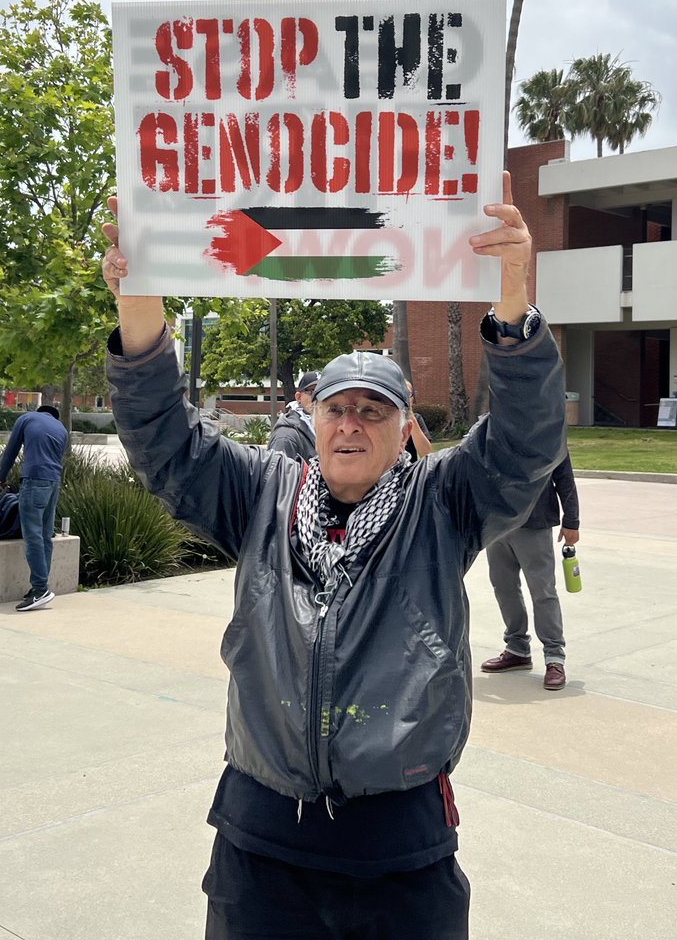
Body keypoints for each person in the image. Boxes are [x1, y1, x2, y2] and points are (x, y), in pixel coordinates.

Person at [102, 173, 565, 940]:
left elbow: (523, 443)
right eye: (336, 408)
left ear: (405, 429)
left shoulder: (441, 505)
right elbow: (165, 444)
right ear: (311, 419)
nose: (350, 424)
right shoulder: (261, 493)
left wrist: (511, 294)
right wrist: (139, 297)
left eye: (372, 410)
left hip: (399, 844)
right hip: (260, 837)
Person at [481, 453, 580, 690]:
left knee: (542, 591)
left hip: (535, 522)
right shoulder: (490, 434)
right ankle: (517, 649)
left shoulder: (548, 436)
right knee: (503, 587)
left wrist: (571, 521)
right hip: (496, 523)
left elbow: (565, 478)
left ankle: (554, 657)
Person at [0, 405, 68, 612]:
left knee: (33, 536)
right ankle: (40, 587)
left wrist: (2, 477)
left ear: (39, 411)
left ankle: (40, 589)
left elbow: (11, 451)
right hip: (53, 483)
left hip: (34, 480)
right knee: (45, 536)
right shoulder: (62, 429)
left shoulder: (27, 418)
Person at [267, 370, 320, 461]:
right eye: (312, 392)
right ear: (299, 397)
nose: (318, 398)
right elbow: (277, 468)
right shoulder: (286, 436)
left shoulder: (321, 427)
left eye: (322, 392)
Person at [405, 379, 433, 461]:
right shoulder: (384, 420)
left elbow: (426, 454)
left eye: (407, 394)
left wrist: (410, 415)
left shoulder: (416, 419)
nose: (403, 397)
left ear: (412, 399)